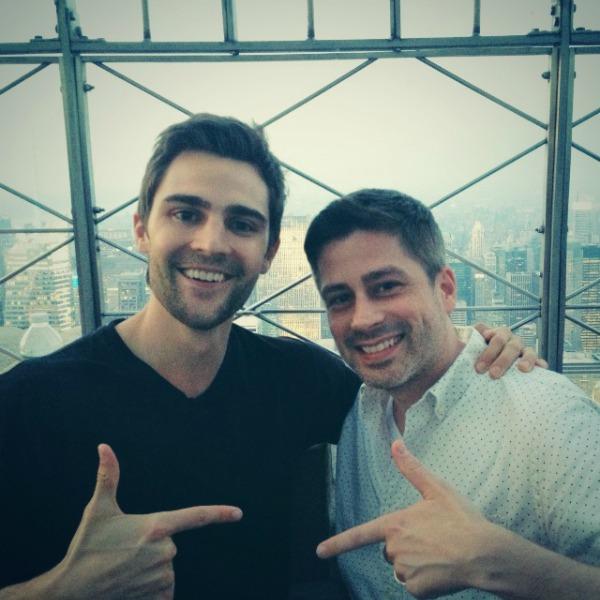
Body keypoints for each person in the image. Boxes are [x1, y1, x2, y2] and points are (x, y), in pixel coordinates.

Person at [0, 115, 537, 600]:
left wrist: (482, 349)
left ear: (269, 252)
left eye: (242, 224)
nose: (211, 243)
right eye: (186, 213)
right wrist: (59, 591)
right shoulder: (28, 403)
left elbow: (409, 375)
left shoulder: (302, 379)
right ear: (142, 228)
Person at [303, 188, 600, 599]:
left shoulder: (547, 416)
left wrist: (499, 563)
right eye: (340, 299)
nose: (363, 318)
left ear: (445, 289)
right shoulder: (358, 407)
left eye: (387, 286)